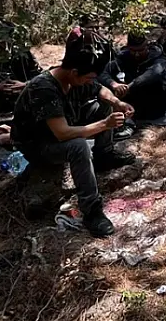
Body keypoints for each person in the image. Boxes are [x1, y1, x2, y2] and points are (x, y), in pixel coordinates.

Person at [12, 27, 136, 237]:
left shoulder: (75, 77)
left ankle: (104, 155)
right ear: (74, 73)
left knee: (105, 104)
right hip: (39, 145)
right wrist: (105, 125)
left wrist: (118, 102)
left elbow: (99, 89)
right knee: (78, 147)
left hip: (63, 125)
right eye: (88, 78)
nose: (90, 81)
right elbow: (63, 134)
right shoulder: (45, 88)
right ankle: (92, 210)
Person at [98, 31, 166, 120]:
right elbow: (103, 73)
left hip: (154, 103)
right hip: (130, 102)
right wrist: (114, 84)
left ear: (147, 46)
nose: (137, 54)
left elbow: (153, 74)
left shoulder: (159, 58)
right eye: (133, 50)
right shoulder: (123, 57)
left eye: (140, 50)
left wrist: (129, 87)